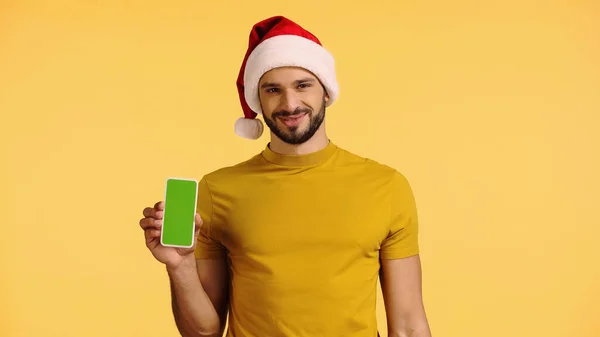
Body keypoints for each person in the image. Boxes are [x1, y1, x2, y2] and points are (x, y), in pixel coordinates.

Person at [139, 15, 432, 337]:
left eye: (303, 85)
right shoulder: (218, 189)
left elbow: (408, 325)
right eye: (273, 90)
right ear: (258, 100)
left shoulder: (386, 185)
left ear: (325, 92)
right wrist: (180, 267)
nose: (290, 103)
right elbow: (203, 332)